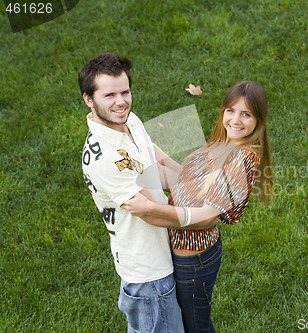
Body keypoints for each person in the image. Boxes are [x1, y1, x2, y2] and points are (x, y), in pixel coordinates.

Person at [79, 53, 217, 333]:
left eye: (125, 91)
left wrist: (192, 182)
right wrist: (202, 217)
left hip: (162, 255)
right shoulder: (103, 156)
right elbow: (148, 212)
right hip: (148, 273)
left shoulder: (128, 122)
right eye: (109, 95)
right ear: (88, 99)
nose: (121, 101)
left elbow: (153, 157)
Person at [122, 80, 274, 333]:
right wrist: (152, 153)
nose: (235, 120)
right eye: (230, 111)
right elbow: (187, 183)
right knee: (182, 322)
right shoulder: (223, 144)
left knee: (196, 327)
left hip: (194, 261)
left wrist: (150, 212)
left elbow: (206, 217)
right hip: (184, 253)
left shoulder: (242, 157)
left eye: (246, 114)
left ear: (258, 119)